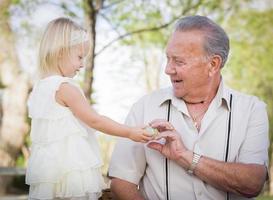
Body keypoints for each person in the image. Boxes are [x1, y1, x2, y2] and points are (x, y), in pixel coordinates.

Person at [109, 15, 269, 200]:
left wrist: (184, 156)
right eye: (168, 59)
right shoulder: (145, 106)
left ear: (213, 64)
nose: (168, 69)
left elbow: (252, 183)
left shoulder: (252, 110)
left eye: (179, 61)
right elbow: (121, 181)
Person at [25, 17, 153, 200]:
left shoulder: (40, 88)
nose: (82, 64)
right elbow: (95, 120)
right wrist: (129, 132)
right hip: (70, 170)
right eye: (79, 57)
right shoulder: (65, 87)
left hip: (49, 171)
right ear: (61, 52)